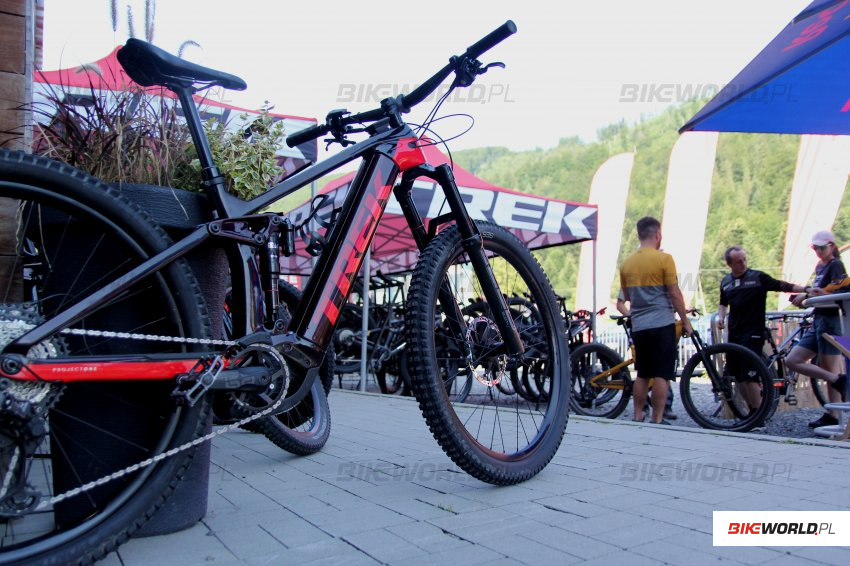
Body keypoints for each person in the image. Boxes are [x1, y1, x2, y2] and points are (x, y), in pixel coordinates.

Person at [616, 216, 693, 424]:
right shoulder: (664, 259)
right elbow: (674, 293)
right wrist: (685, 320)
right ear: (658, 235)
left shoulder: (626, 265)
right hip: (662, 323)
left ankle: (638, 415)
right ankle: (657, 418)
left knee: (642, 373)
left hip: (639, 325)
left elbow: (627, 297)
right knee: (661, 374)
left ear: (639, 235)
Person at [717, 246, 810, 410]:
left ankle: (759, 415)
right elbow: (723, 303)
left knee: (749, 375)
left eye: (745, 259)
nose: (743, 263)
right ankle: (753, 411)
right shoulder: (726, 282)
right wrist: (721, 317)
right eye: (738, 261)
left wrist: (805, 289)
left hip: (753, 331)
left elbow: (782, 285)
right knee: (738, 376)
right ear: (729, 264)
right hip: (734, 332)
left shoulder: (758, 277)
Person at [785, 230, 849, 428]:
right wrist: (807, 299)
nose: (818, 251)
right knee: (792, 360)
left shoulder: (835, 265)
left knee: (829, 367)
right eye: (815, 248)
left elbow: (841, 291)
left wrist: (809, 296)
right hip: (819, 319)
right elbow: (822, 292)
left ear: (831, 246)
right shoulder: (820, 266)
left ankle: (835, 415)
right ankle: (837, 388)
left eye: (821, 247)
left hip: (831, 320)